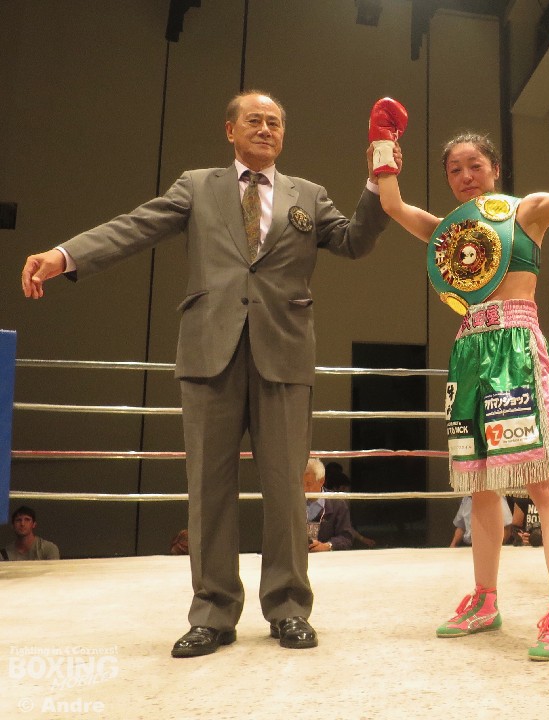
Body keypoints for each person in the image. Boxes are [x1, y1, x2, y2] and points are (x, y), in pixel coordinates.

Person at [21, 91, 390, 657]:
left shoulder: (309, 195)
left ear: (283, 134)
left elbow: (355, 241)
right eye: (253, 120)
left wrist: (376, 180)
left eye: (274, 122)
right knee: (208, 491)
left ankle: (289, 607)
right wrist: (65, 255)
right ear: (230, 130)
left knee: (286, 490)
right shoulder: (196, 186)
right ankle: (213, 612)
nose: (264, 129)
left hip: (284, 353)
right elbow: (134, 226)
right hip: (208, 350)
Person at [368, 78, 549, 659]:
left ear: (495, 169)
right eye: (455, 169)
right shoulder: (447, 232)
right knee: (480, 484)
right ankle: (485, 598)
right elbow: (392, 205)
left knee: (542, 481)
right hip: (468, 352)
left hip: (514, 346)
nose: (465, 175)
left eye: (474, 165)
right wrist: (383, 149)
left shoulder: (525, 211)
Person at [303, 458, 354, 552]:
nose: (304, 489)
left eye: (308, 484)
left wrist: (327, 546)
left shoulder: (337, 503)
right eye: (301, 484)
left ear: (321, 481)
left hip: (326, 558)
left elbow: (346, 537)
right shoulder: (293, 503)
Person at [323, 462, 376, 549]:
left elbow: (347, 530)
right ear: (335, 487)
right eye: (343, 488)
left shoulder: (340, 504)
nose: (345, 491)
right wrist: (363, 539)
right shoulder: (328, 502)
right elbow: (348, 530)